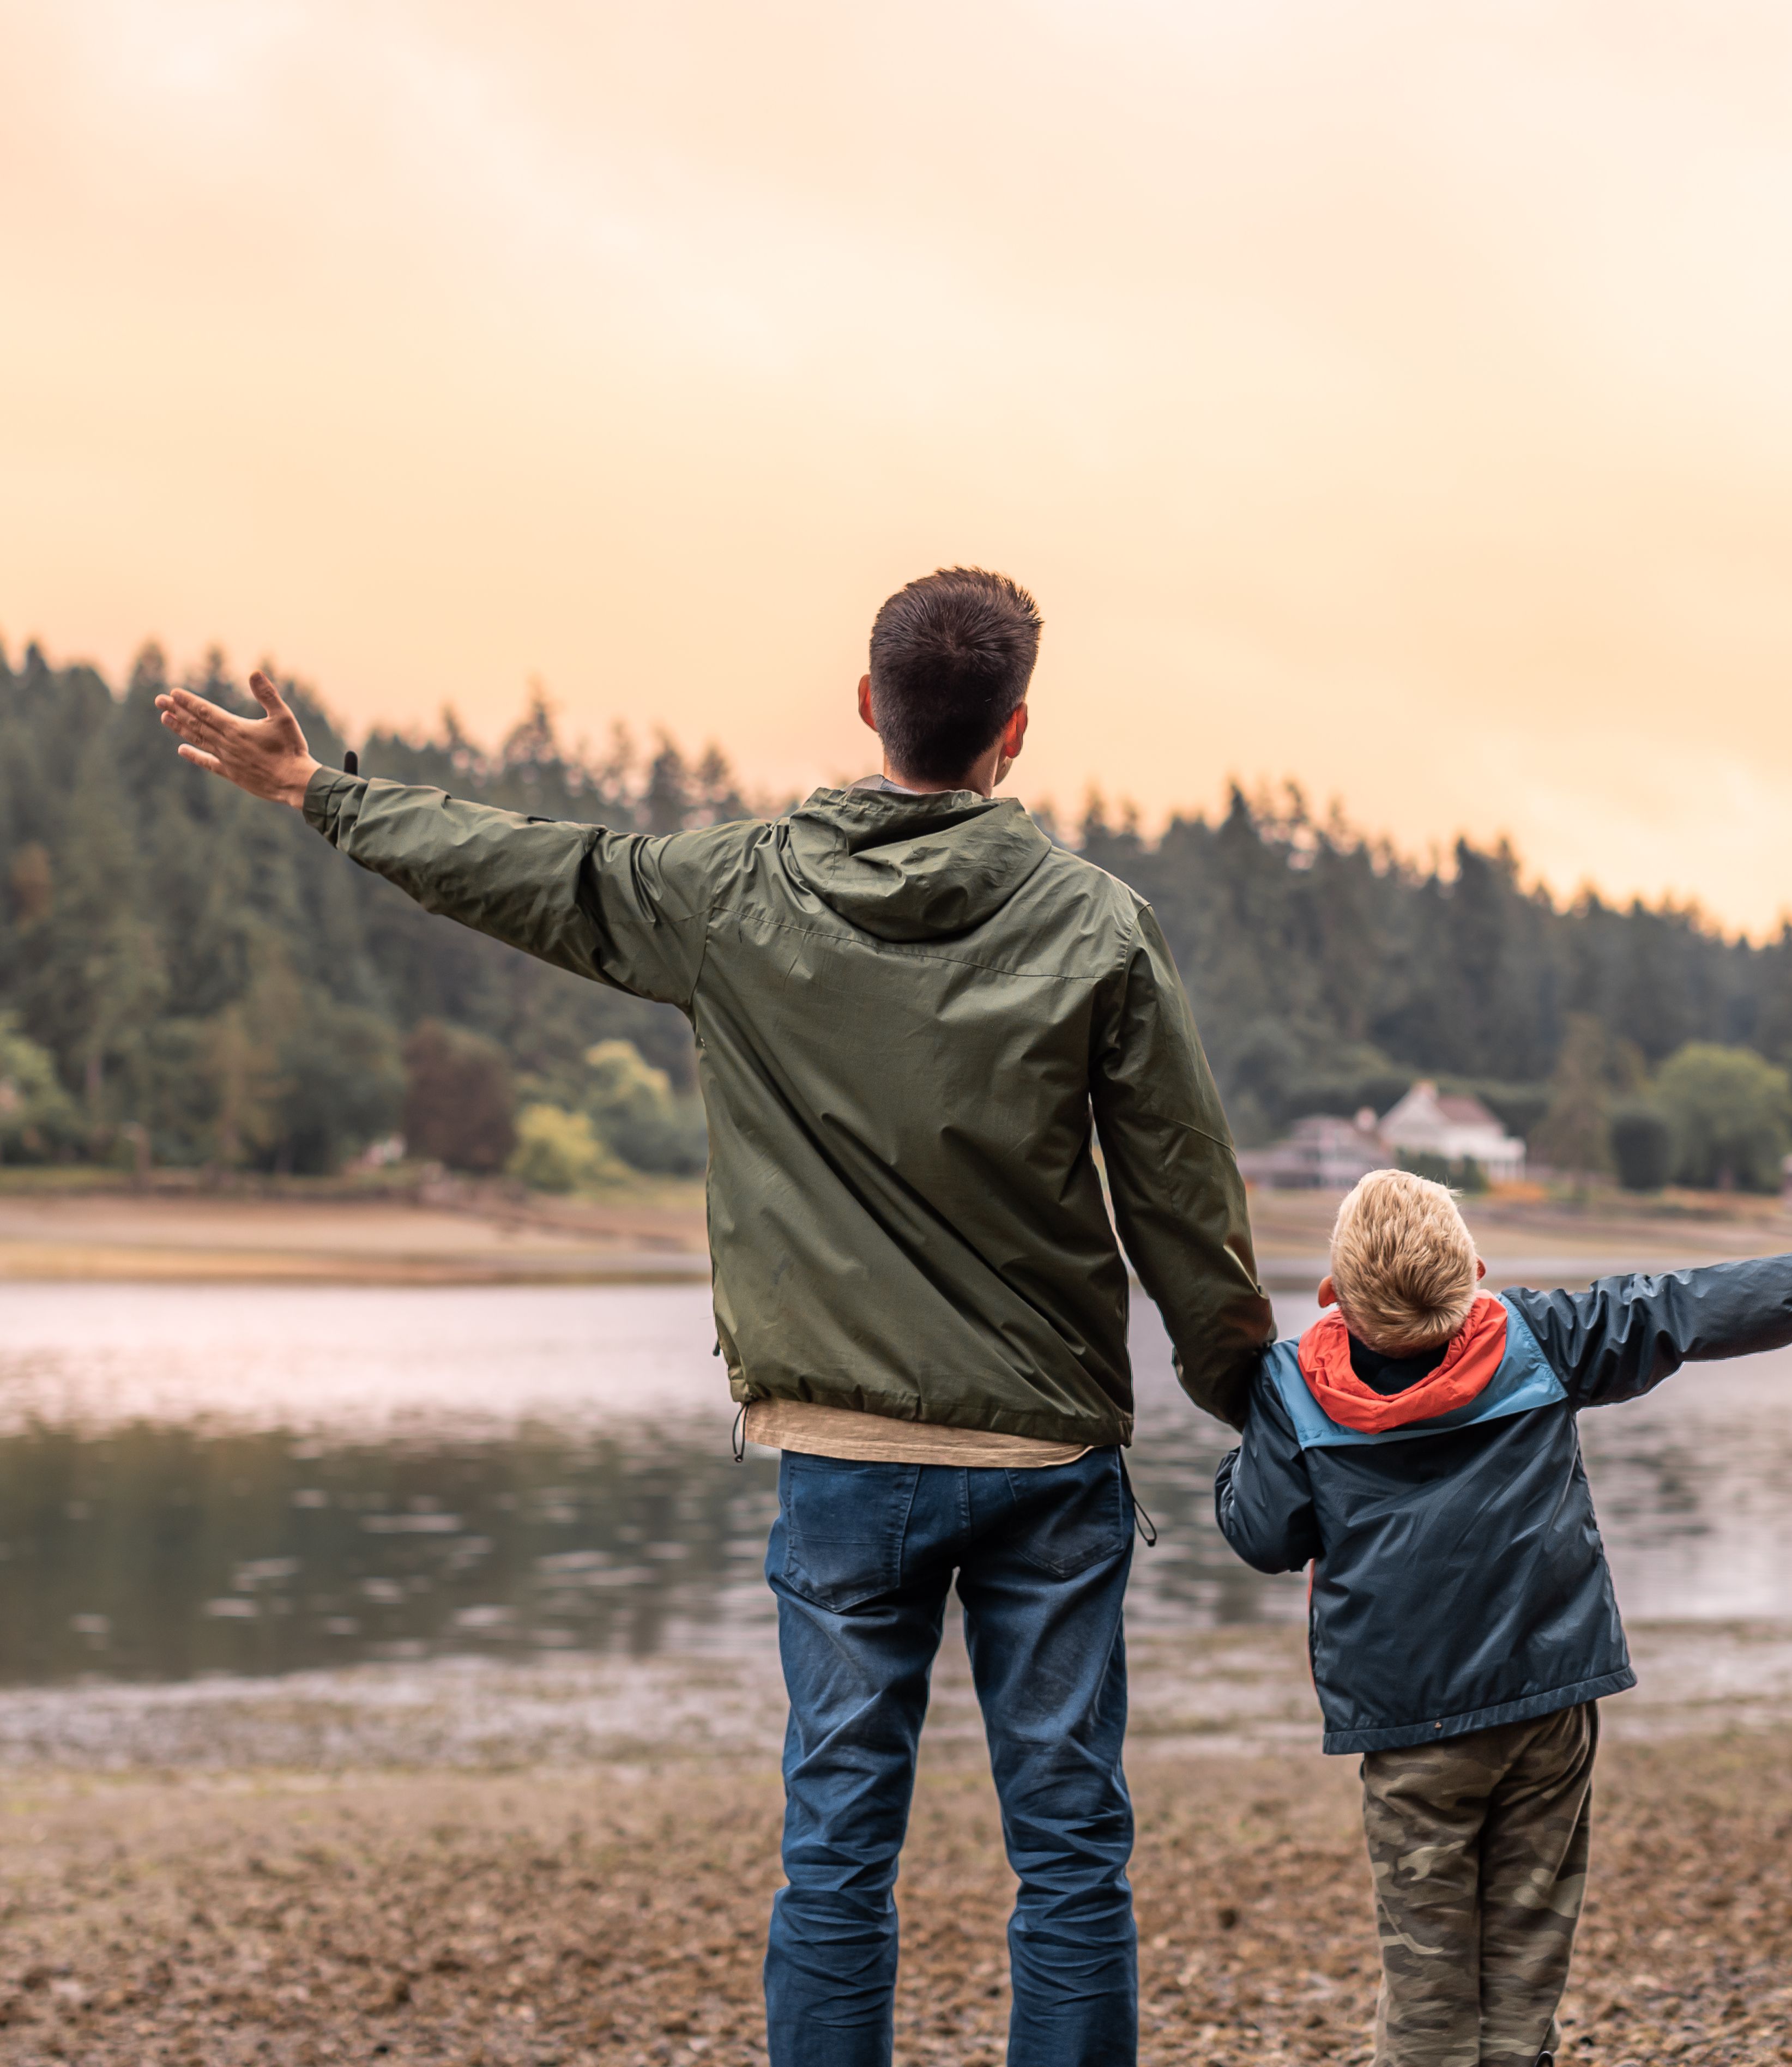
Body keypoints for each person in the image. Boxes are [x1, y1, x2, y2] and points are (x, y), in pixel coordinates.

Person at [157, 567, 1275, 2067]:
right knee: (1069, 1857)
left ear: (873, 704)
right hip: (1043, 1461)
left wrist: (319, 793)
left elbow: (526, 867)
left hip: (838, 1454)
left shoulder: (733, 893)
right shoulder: (1100, 925)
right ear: (1014, 732)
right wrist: (1261, 1407)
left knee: (837, 1853)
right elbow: (1183, 1211)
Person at [1214, 1168, 1792, 2067]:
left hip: (1410, 1727)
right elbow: (1675, 1311)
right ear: (1474, 1270)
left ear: (1332, 1297)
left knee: (1427, 1971)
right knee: (1524, 1954)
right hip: (1546, 1704)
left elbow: (1266, 1538)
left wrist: (1236, 1460)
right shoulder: (1538, 1338)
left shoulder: (1290, 1390)